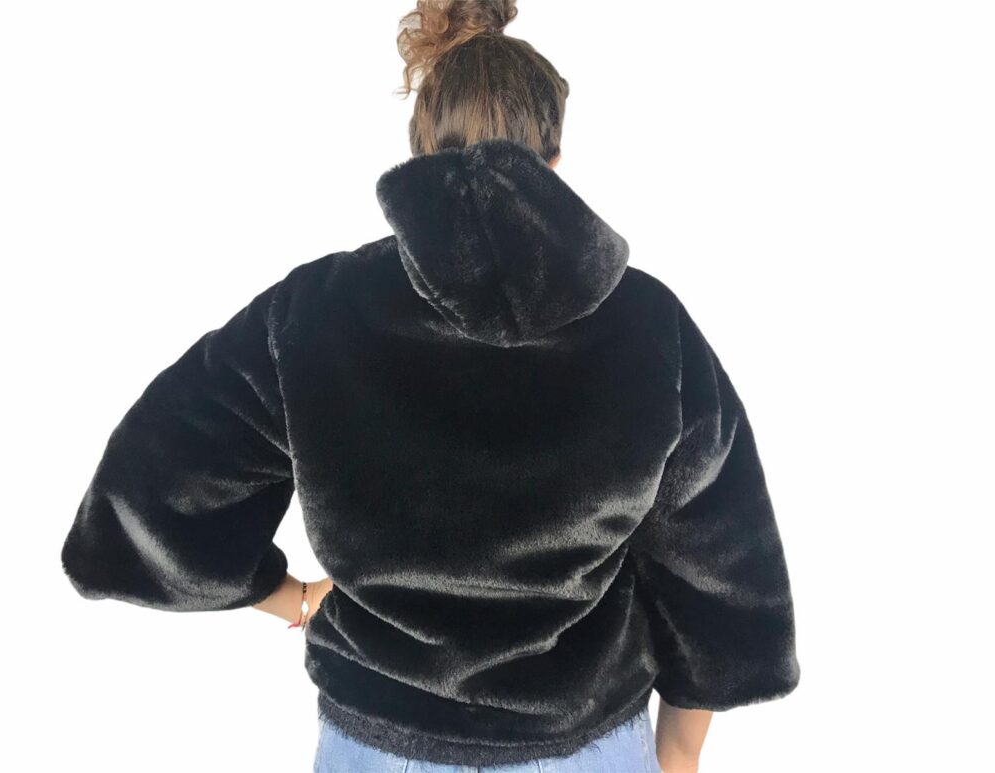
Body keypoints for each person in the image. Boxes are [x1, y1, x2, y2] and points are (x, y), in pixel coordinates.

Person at [60, 1, 800, 770]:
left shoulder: (313, 311)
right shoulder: (651, 325)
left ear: (418, 154)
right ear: (553, 160)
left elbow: (151, 490)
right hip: (587, 743)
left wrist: (293, 598)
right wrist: (679, 753)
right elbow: (722, 573)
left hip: (378, 745)